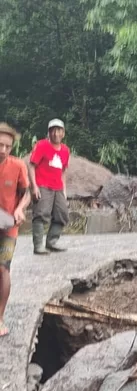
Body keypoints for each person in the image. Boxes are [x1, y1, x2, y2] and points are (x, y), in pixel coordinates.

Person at [0, 124, 31, 336]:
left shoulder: (18, 165)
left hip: (8, 227)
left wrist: (20, 209)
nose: (3, 150)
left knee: (3, 270)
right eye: (0, 145)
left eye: (7, 146)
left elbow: (26, 193)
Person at [28, 119, 70, 255]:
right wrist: (34, 187)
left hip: (58, 187)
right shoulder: (42, 145)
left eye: (59, 130)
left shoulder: (65, 150)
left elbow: (63, 171)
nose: (56, 133)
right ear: (49, 132)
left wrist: (64, 191)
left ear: (63, 133)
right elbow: (31, 166)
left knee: (62, 214)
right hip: (43, 186)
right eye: (53, 130)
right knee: (40, 214)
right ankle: (38, 246)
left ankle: (51, 242)